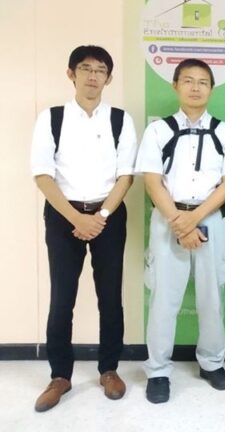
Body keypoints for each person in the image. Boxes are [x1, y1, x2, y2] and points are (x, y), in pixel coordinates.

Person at [30, 45, 137, 412]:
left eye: (100, 70)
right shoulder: (52, 118)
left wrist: (100, 216)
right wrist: (77, 219)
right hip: (64, 215)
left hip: (109, 214)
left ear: (109, 77)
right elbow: (43, 175)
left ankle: (109, 369)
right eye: (86, 68)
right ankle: (60, 375)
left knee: (110, 296)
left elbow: (126, 176)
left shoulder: (120, 119)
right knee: (62, 298)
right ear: (71, 74)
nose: (93, 76)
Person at [136, 58, 225, 404]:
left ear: (212, 88)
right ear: (175, 86)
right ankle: (158, 371)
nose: (196, 88)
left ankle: (212, 363)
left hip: (211, 220)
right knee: (164, 300)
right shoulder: (157, 131)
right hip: (169, 221)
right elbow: (152, 182)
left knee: (212, 297)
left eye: (203, 82)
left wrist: (193, 219)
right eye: (188, 81)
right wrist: (180, 222)